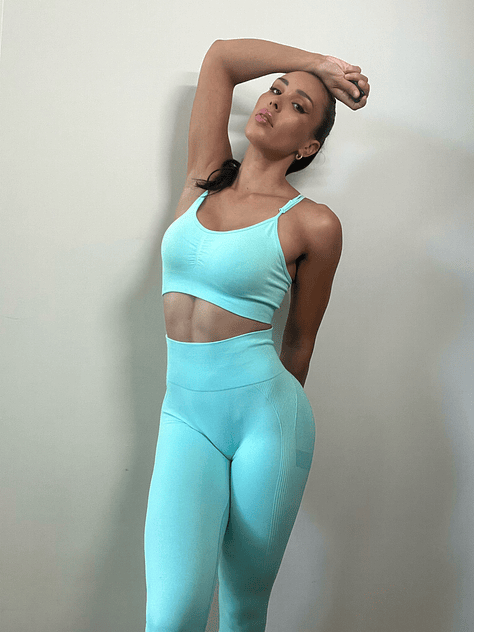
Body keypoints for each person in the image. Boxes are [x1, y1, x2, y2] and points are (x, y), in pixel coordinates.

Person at [144, 38, 370, 632]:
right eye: (275, 89)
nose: (274, 101)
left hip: (266, 422)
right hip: (184, 416)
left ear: (308, 146)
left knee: (243, 610)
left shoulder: (314, 224)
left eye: (298, 106)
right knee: (171, 615)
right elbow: (221, 58)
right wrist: (317, 65)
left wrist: (273, 428)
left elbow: (299, 343)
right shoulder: (204, 177)